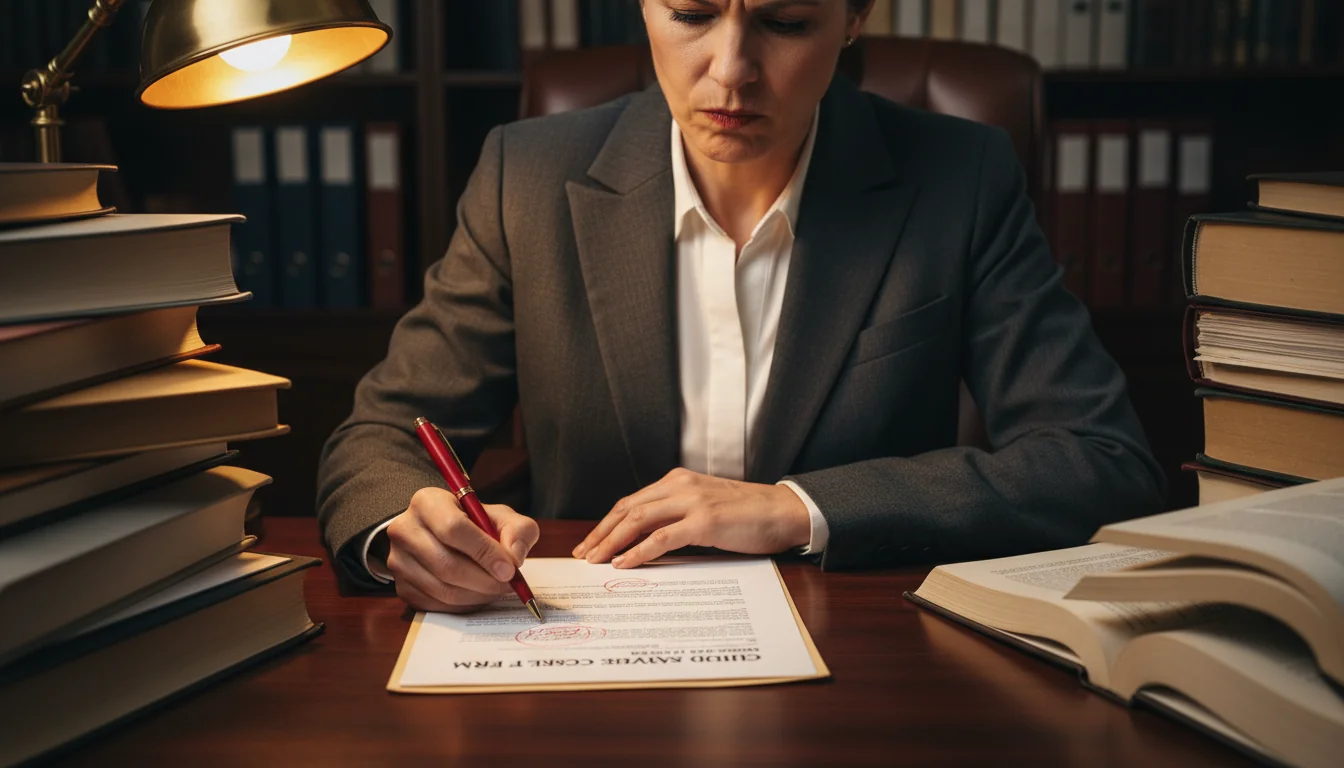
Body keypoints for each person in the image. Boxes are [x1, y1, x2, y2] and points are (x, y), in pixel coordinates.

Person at [317, 0, 1165, 612]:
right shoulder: (526, 177)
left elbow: (1100, 461)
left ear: (857, 15)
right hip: (588, 653)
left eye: (785, 23)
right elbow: (383, 436)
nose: (730, 71)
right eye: (691, 14)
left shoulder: (961, 178)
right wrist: (404, 529)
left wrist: (798, 507)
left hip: (868, 656)